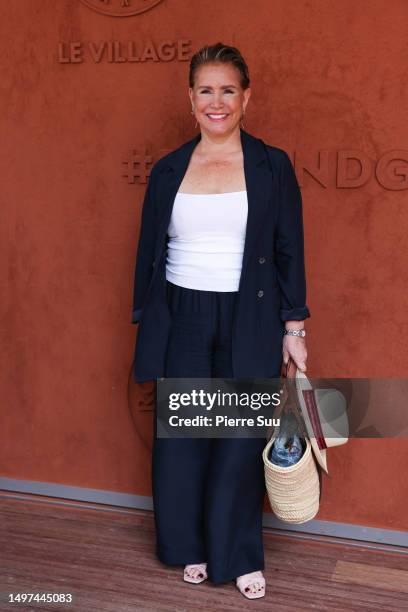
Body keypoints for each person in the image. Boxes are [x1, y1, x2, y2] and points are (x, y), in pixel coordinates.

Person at [131, 42, 310, 600]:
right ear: (190, 99)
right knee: (185, 439)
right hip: (182, 313)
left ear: (246, 97)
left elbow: (288, 250)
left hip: (248, 315)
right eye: (205, 90)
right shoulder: (167, 171)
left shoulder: (271, 164)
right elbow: (148, 253)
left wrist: (294, 328)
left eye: (227, 90)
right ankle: (187, 546)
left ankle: (237, 555)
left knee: (237, 437)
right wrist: (148, 321)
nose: (217, 101)